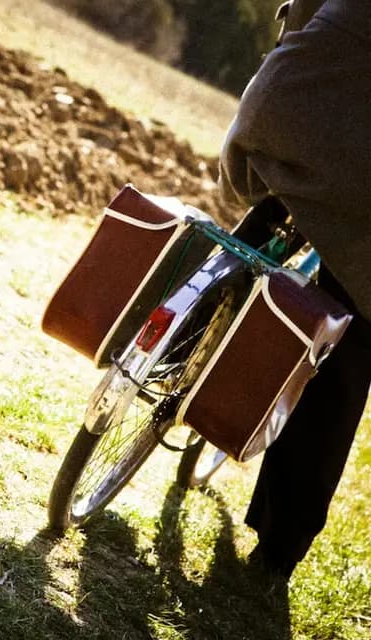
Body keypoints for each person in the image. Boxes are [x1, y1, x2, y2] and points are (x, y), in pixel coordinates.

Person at [220, 0, 371, 578]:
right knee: (352, 339)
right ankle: (279, 545)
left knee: (268, 209)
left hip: (294, 107)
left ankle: (171, 351)